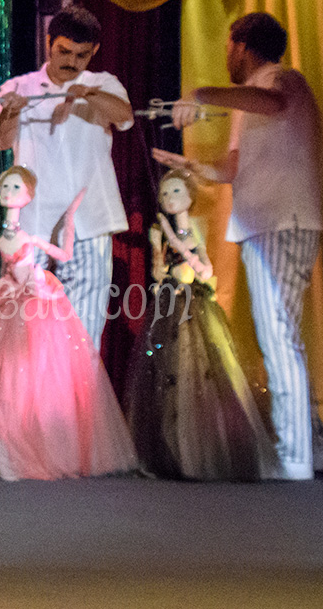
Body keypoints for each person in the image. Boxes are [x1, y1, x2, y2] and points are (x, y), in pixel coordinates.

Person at [155, 11, 323, 480]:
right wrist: (192, 167)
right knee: (281, 335)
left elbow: (272, 102)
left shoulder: (282, 80)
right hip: (262, 226)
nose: (226, 55)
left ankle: (296, 459)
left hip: (283, 224)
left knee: (279, 336)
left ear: (243, 45)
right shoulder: (249, 102)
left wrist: (201, 94)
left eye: (229, 47)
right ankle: (312, 448)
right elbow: (231, 168)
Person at [0, 166, 135, 480]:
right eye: (6, 186)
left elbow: (64, 255)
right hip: (12, 311)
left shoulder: (30, 238)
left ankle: (42, 445)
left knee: (38, 372)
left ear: (28, 195)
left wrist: (69, 220)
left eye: (16, 187)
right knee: (8, 378)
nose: (9, 192)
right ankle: (6, 450)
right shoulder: (1, 241)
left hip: (38, 307)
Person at [122, 168, 277, 481]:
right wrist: (161, 253)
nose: (170, 198)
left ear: (190, 196)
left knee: (201, 368)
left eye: (177, 191)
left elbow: (206, 269)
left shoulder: (196, 228)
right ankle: (174, 451)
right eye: (165, 193)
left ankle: (201, 452)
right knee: (167, 370)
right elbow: (158, 272)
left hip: (196, 304)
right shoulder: (160, 232)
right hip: (170, 303)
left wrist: (185, 254)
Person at [0, 5, 132, 351]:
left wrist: (87, 94)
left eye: (81, 55)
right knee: (26, 328)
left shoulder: (102, 83)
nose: (71, 62)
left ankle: (80, 388)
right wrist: (11, 111)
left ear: (94, 51)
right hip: (33, 221)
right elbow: (2, 141)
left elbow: (124, 116)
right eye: (64, 51)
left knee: (85, 333)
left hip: (89, 219)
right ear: (49, 42)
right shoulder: (18, 86)